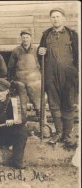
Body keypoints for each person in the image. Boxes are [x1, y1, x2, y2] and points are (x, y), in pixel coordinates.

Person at [38, 8, 78, 145]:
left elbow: (78, 56)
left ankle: (68, 135)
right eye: (53, 17)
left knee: (68, 103)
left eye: (58, 16)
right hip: (51, 76)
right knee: (54, 104)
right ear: (50, 20)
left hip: (68, 76)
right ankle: (59, 133)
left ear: (63, 19)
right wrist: (40, 52)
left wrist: (76, 73)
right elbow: (41, 57)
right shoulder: (46, 35)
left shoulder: (72, 34)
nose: (55, 19)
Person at [8, 29, 41, 116]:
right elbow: (11, 67)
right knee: (22, 106)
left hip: (35, 83)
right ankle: (23, 126)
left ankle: (42, 125)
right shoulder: (16, 51)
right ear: (21, 39)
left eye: (27, 37)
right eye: (23, 38)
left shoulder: (36, 50)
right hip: (20, 83)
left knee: (38, 105)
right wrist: (11, 81)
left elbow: (42, 65)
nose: (25, 40)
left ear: (31, 38)